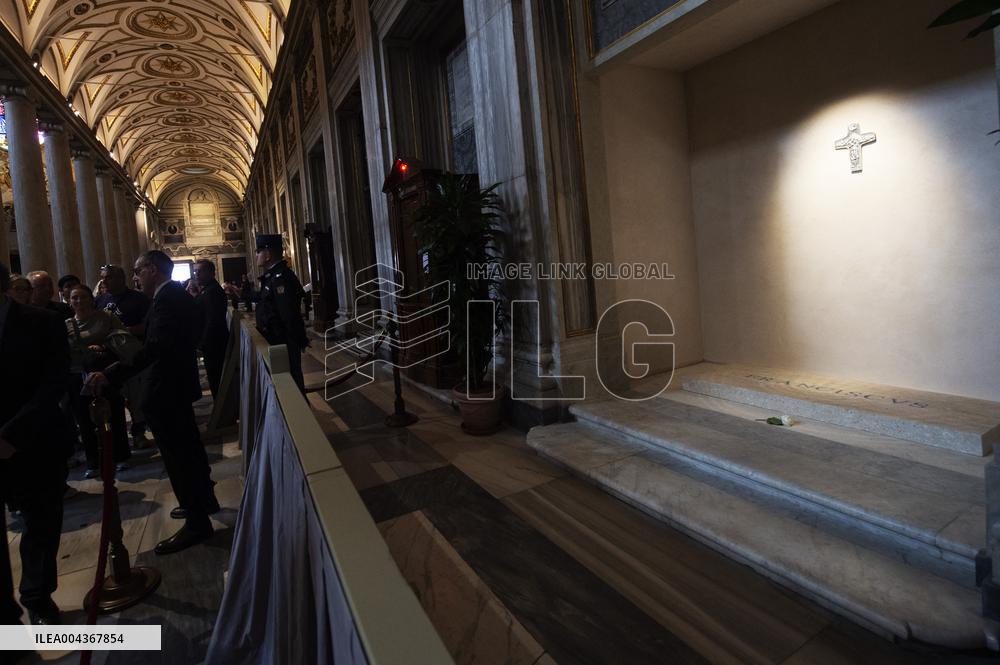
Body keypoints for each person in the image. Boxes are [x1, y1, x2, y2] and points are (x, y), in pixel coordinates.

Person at [86, 251, 219, 555]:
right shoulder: (172, 296)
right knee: (190, 450)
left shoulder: (168, 298)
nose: (135, 277)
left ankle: (197, 521)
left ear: (153, 270)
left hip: (167, 389)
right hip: (176, 385)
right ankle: (204, 502)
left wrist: (112, 373)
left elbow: (156, 347)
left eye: (138, 270)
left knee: (178, 457)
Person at [0, 263, 71, 627]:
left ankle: (37, 596)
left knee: (40, 523)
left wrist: (11, 435)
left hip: (33, 440)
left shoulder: (43, 322)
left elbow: (53, 383)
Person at [67, 284, 133, 476]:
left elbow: (123, 338)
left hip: (106, 372)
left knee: (113, 414)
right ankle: (93, 461)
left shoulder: (106, 317)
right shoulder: (67, 324)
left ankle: (120, 455)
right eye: (74, 298)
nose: (79, 301)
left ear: (91, 298)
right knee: (84, 419)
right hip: (79, 375)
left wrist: (104, 347)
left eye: (83, 297)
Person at [95, 265, 151, 448]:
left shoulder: (138, 299)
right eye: (103, 277)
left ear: (121, 278)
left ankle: (139, 432)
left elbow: (148, 325)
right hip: (108, 356)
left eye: (109, 277)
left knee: (135, 396)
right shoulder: (100, 300)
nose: (104, 281)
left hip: (132, 354)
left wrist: (122, 331)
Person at [254, 235, 309, 393]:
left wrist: (298, 340)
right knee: (282, 386)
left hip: (283, 341)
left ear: (268, 254)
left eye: (258, 251)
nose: (256, 255)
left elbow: (288, 315)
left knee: (292, 385)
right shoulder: (272, 276)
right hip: (276, 341)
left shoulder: (281, 277)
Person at [193, 259, 229, 398]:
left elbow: (212, 321)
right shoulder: (207, 289)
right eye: (195, 271)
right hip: (213, 344)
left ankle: (222, 409)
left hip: (215, 344)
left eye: (199, 271)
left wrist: (202, 344)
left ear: (211, 272)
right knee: (215, 379)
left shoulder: (212, 291)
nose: (196, 274)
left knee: (217, 380)